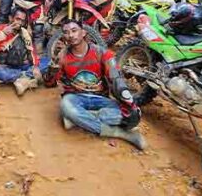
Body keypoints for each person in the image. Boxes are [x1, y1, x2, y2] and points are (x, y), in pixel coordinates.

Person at [43, 19, 146, 150]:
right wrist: (52, 69)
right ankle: (119, 133)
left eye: (74, 30)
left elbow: (116, 77)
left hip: (100, 98)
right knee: (66, 105)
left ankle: (79, 119)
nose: (71, 35)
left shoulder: (101, 52)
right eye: (66, 32)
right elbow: (49, 83)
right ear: (64, 36)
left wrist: (124, 94)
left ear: (83, 33)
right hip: (76, 97)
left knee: (133, 113)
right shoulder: (62, 56)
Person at [0, 8, 49, 96]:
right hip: (4, 66)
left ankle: (21, 80)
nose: (20, 23)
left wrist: (35, 66)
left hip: (21, 65)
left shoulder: (24, 32)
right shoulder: (0, 29)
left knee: (47, 62)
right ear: (10, 18)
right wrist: (3, 34)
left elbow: (31, 50)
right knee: (0, 73)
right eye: (17, 19)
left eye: (22, 21)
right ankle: (28, 78)